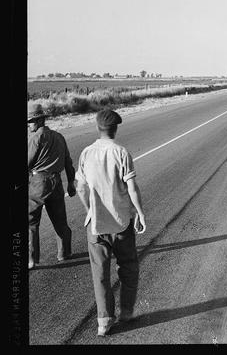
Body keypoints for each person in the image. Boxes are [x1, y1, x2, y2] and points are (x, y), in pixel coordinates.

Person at [76, 109, 147, 336]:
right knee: (128, 267)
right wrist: (140, 213)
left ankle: (104, 322)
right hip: (121, 223)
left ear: (98, 128)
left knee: (100, 274)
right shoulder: (121, 152)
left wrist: (90, 210)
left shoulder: (86, 153)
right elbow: (132, 188)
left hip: (96, 226)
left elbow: (80, 187)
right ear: (115, 129)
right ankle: (126, 312)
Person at [28, 103, 76, 269]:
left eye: (31, 121)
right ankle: (64, 253)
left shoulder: (35, 138)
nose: (29, 125)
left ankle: (31, 259)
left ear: (40, 120)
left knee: (31, 222)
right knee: (60, 219)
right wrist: (71, 182)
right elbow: (68, 162)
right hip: (56, 183)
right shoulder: (59, 137)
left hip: (38, 183)